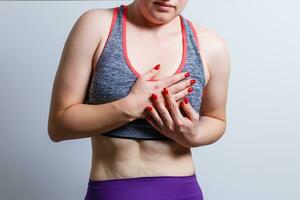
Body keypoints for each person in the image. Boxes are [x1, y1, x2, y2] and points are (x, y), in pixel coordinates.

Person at [47, 0, 230, 199]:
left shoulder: (211, 45)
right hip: (111, 190)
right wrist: (129, 107)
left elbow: (216, 119)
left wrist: (196, 134)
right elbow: (59, 125)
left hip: (181, 190)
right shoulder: (96, 26)